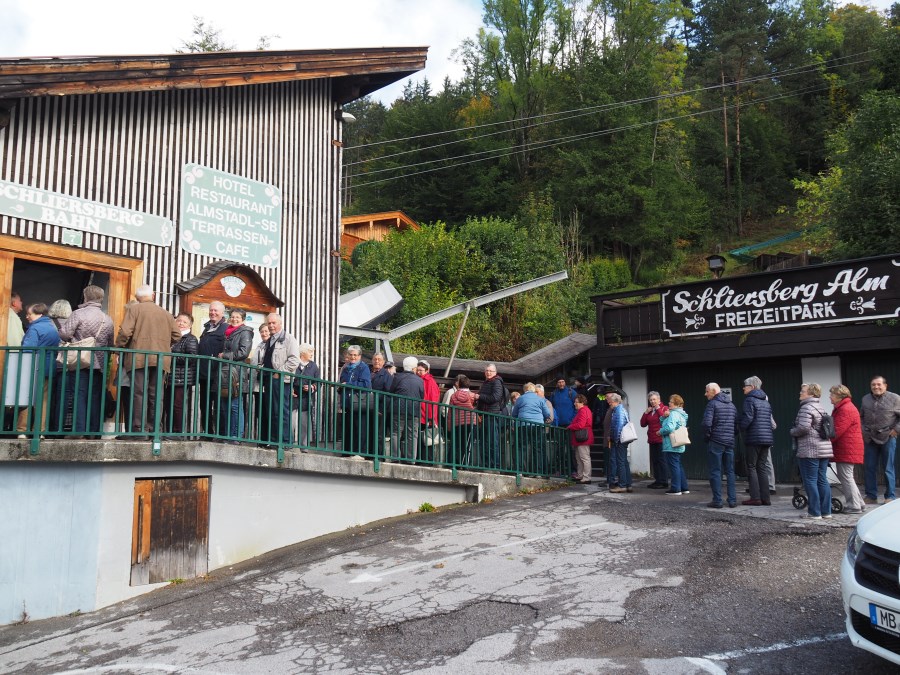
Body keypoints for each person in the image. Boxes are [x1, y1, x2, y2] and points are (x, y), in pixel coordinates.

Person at [114, 286, 179, 438]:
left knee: (139, 393)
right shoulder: (166, 314)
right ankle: (155, 429)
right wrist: (162, 343)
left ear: (137, 299)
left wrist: (119, 347)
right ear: (154, 295)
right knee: (157, 394)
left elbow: (124, 332)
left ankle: (140, 430)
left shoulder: (135, 310)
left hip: (139, 357)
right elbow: (177, 335)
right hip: (161, 358)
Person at [58, 286, 114, 436]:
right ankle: (94, 432)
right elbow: (110, 344)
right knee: (95, 397)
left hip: (80, 361)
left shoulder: (78, 314)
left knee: (79, 395)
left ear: (86, 296)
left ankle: (78, 430)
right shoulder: (107, 319)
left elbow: (64, 334)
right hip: (99, 364)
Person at [790, 383, 834, 519]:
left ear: (811, 394)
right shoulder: (820, 407)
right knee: (822, 480)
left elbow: (803, 427)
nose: (800, 393)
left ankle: (814, 512)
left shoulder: (806, 407)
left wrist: (792, 431)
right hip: (824, 449)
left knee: (810, 480)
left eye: (803, 391)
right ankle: (826, 512)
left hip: (810, 449)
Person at [16, 303, 60, 437]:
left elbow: (28, 349)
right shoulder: (53, 328)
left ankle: (22, 430)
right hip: (48, 368)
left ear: (39, 314)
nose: (27, 316)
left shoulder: (34, 329)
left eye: (30, 314)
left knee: (27, 398)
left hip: (33, 367)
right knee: (43, 400)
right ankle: (40, 431)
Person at [261, 313, 300, 446]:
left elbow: (294, 361)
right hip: (268, 380)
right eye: (269, 323)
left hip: (281, 380)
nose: (271, 325)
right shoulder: (270, 340)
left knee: (281, 411)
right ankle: (273, 441)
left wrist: (279, 372)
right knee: (271, 411)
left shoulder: (289, 339)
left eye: (274, 323)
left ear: (280, 323)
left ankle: (285, 442)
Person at [860, 375, 900, 505]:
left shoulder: (895, 398)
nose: (876, 387)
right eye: (873, 385)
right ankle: (871, 495)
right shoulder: (865, 399)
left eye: (878, 384)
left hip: (888, 436)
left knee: (888, 467)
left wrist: (896, 430)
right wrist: (863, 430)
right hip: (870, 438)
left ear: (885, 386)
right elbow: (861, 416)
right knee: (869, 467)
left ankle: (890, 496)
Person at [738, 376, 775, 506]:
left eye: (745, 386)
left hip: (754, 438)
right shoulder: (765, 401)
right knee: (762, 467)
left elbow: (748, 418)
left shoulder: (749, 400)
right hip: (767, 439)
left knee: (752, 467)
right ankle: (766, 498)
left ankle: (755, 497)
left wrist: (740, 428)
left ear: (752, 387)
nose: (743, 388)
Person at [219, 309, 254, 441]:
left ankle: (236, 435)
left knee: (235, 405)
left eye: (238, 317)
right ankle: (229, 434)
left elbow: (244, 352)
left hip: (237, 372)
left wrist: (225, 355)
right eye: (232, 317)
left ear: (243, 319)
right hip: (226, 372)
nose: (234, 319)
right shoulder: (228, 332)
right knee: (226, 405)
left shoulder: (245, 332)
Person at [829, 384, 866, 514]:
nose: (830, 397)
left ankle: (854, 506)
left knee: (846, 476)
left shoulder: (845, 409)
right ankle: (859, 503)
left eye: (832, 394)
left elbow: (837, 431)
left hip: (847, 448)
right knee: (847, 476)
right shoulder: (844, 407)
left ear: (840, 396)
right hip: (847, 447)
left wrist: (826, 440)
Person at [702, 382, 738, 508]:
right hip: (729, 442)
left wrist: (708, 437)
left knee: (715, 471)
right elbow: (736, 425)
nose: (705, 394)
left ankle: (717, 501)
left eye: (707, 391)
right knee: (730, 471)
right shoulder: (732, 405)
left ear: (713, 391)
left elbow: (707, 424)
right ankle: (732, 500)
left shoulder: (712, 404)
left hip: (716, 441)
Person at [197, 301, 227, 435]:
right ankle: (207, 432)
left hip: (217, 374)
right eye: (211, 310)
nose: (213, 313)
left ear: (222, 313)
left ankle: (220, 433)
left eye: (216, 310)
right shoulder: (206, 328)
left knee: (219, 405)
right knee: (204, 405)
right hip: (203, 374)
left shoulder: (226, 328)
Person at [165, 313, 198, 435]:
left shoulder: (191, 339)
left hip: (182, 378)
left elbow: (191, 358)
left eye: (184, 322)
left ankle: (177, 432)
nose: (180, 323)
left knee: (177, 406)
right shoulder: (171, 337)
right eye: (178, 320)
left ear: (189, 325)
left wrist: (171, 356)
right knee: (168, 405)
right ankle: (168, 430)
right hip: (169, 376)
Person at [389, 356, 425, 462]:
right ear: (414, 368)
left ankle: (395, 457)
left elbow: (391, 391)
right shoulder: (419, 380)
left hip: (398, 408)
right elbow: (421, 395)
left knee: (395, 432)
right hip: (414, 409)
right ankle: (411, 459)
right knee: (412, 434)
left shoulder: (397, 377)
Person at [512, 382, 553, 473]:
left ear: (525, 390)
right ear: (534, 390)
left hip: (523, 425)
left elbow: (514, 413)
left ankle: (520, 471)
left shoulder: (520, 399)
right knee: (538, 449)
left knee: (521, 448)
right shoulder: (540, 399)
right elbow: (547, 414)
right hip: (537, 426)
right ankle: (538, 472)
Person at [339, 344, 371, 454]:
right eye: (351, 355)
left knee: (359, 429)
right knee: (348, 429)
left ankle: (359, 452)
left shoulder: (363, 367)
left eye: (355, 355)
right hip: (348, 403)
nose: (353, 357)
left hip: (359, 404)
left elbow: (366, 384)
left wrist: (348, 384)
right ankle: (348, 452)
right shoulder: (346, 368)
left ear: (359, 356)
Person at [47, 299, 72, 433]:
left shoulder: (48, 324)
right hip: (65, 366)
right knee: (63, 397)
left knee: (47, 397)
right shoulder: (70, 325)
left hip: (49, 365)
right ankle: (59, 429)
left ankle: (45, 427)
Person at [475, 364, 507, 469]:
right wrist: (479, 413)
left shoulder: (496, 382)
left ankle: (494, 465)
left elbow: (495, 397)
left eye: (491, 371)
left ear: (495, 372)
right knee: (485, 441)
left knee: (492, 441)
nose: (488, 372)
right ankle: (486, 464)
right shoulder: (486, 383)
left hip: (492, 415)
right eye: (487, 370)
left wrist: (479, 396)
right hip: (485, 415)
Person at [660, 394, 690, 495]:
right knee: (678, 465)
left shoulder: (673, 414)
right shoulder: (682, 414)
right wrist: (664, 416)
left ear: (676, 404)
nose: (669, 403)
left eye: (671, 402)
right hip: (680, 443)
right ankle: (684, 487)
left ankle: (675, 488)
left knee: (673, 466)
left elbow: (669, 428)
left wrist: (660, 432)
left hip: (671, 443)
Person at [640, 391, 670, 489]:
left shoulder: (664, 408)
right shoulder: (650, 411)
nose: (652, 401)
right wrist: (646, 413)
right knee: (655, 460)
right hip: (652, 439)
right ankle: (657, 480)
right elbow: (643, 424)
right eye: (651, 400)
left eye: (654, 399)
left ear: (659, 399)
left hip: (661, 439)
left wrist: (658, 409)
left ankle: (664, 481)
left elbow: (664, 419)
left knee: (662, 460)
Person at [292, 343, 320, 447]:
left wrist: (312, 387)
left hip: (306, 398)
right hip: (293, 396)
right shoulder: (294, 363)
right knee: (291, 422)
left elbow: (318, 382)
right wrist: (290, 388)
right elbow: (287, 377)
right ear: (303, 353)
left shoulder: (313, 366)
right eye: (310, 352)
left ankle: (303, 446)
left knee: (304, 423)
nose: (312, 354)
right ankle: (289, 443)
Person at [448, 374, 476, 465]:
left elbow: (450, 412)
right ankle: (465, 464)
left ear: (459, 384)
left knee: (456, 443)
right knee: (467, 444)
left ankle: (453, 462)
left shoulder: (453, 396)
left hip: (457, 422)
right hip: (470, 422)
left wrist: (449, 426)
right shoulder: (472, 396)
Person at [607, 393, 632, 493]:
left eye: (611, 403)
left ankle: (622, 485)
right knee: (624, 462)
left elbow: (618, 427)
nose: (610, 405)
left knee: (621, 462)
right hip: (622, 440)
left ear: (615, 402)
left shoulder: (618, 411)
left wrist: (614, 439)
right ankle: (628, 484)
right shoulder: (621, 409)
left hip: (620, 440)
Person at [417, 360, 441, 462]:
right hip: (421, 414)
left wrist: (431, 417)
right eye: (417, 370)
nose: (418, 372)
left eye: (421, 370)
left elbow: (433, 400)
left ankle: (427, 460)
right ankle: (422, 459)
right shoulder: (421, 380)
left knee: (427, 440)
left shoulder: (430, 382)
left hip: (427, 416)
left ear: (427, 370)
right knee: (423, 439)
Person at [251, 323, 271, 441]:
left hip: (268, 384)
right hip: (258, 385)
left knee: (268, 412)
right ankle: (262, 439)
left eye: (266, 331)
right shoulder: (259, 346)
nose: (264, 333)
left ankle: (268, 439)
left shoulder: (272, 346)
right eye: (262, 331)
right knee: (260, 413)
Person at [569, 394, 594, 484]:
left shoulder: (583, 411)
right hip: (580, 438)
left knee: (584, 458)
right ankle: (581, 476)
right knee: (580, 458)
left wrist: (570, 426)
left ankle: (586, 477)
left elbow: (581, 425)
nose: (574, 404)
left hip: (583, 438)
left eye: (576, 402)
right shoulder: (583, 410)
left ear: (582, 403)